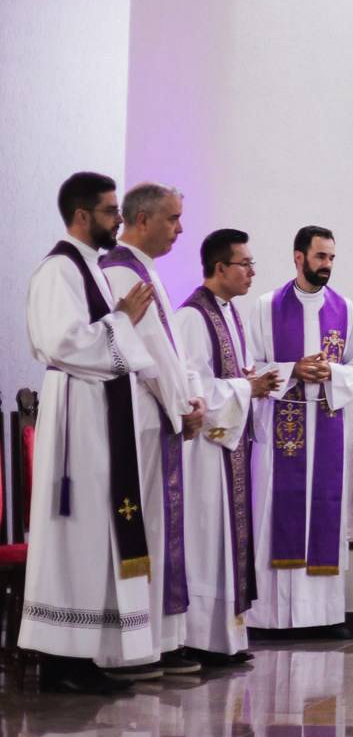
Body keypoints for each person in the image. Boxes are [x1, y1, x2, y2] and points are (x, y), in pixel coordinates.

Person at [18, 172, 160, 693]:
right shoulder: (58, 269)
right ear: (81, 216)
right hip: (75, 416)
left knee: (99, 530)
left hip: (100, 412)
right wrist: (121, 319)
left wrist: (120, 322)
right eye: (109, 211)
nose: (118, 219)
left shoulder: (94, 269)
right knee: (74, 534)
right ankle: (60, 659)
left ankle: (88, 653)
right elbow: (63, 343)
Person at [97, 182, 206, 678]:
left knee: (161, 527)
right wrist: (182, 404)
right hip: (138, 416)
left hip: (158, 414)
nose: (180, 229)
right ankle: (134, 646)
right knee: (142, 528)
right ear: (142, 220)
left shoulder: (147, 271)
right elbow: (148, 350)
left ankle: (162, 639)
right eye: (172, 219)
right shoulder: (121, 272)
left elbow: (173, 348)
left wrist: (191, 393)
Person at [245, 225, 353, 636]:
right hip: (280, 431)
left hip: (327, 426)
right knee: (274, 515)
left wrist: (331, 372)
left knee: (325, 514)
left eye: (332, 258)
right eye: (320, 257)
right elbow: (247, 368)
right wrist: (291, 371)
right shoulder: (266, 307)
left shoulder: (345, 309)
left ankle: (323, 617)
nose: (327, 266)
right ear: (298, 257)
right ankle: (270, 618)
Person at [172, 228, 282, 664]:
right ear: (220, 268)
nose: (252, 272)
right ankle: (201, 637)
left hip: (227, 448)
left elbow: (230, 376)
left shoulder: (230, 315)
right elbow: (192, 387)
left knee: (223, 541)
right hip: (202, 453)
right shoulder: (191, 318)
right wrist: (246, 388)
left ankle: (226, 638)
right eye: (245, 264)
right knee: (204, 540)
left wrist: (254, 381)